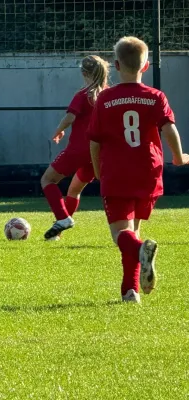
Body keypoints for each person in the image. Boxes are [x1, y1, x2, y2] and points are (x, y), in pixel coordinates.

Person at [89, 36, 189, 303]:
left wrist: (99, 172)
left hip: (117, 173)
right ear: (145, 67)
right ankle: (130, 291)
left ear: (116, 65)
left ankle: (139, 257)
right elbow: (170, 129)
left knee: (122, 236)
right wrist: (178, 158)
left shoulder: (106, 97)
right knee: (133, 232)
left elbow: (95, 142)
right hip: (148, 171)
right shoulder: (156, 96)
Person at [42, 55, 110, 240]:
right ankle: (58, 232)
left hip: (79, 150)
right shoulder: (108, 95)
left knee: (48, 180)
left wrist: (58, 131)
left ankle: (63, 218)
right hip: (98, 153)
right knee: (74, 190)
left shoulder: (83, 94)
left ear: (84, 73)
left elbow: (70, 117)